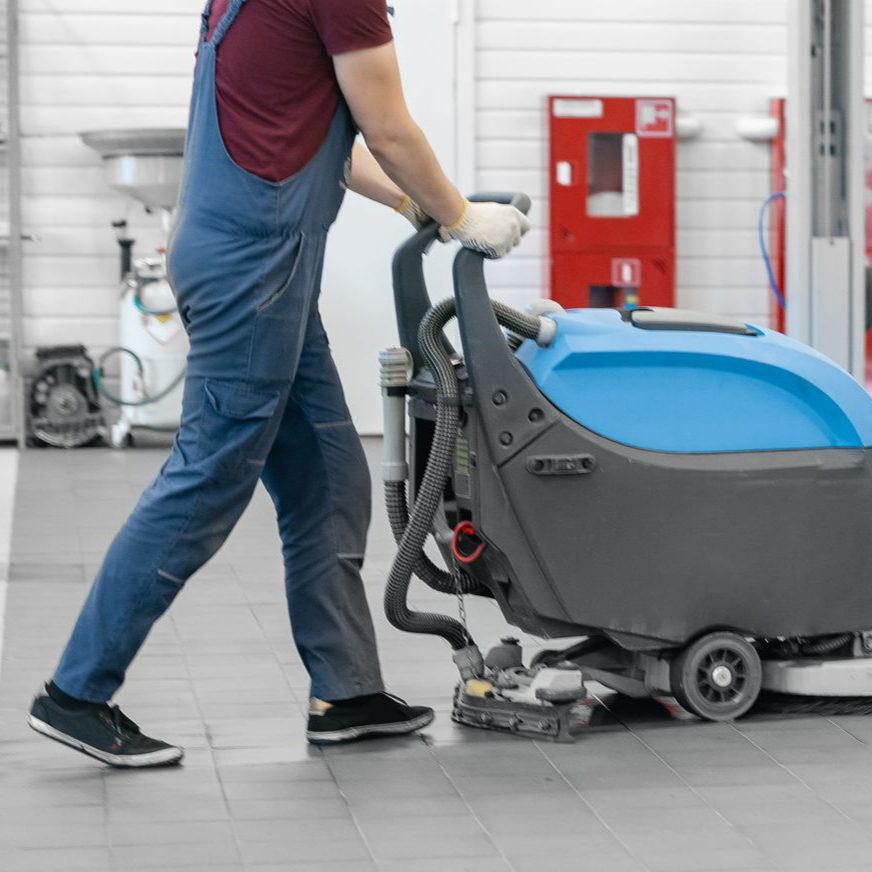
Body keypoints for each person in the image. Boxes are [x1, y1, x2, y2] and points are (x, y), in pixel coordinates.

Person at [27, 0, 530, 768]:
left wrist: (409, 201)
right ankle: (76, 693)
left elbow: (320, 129)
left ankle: (345, 692)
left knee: (327, 474)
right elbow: (388, 126)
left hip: (253, 259)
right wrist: (460, 215)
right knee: (209, 477)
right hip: (253, 268)